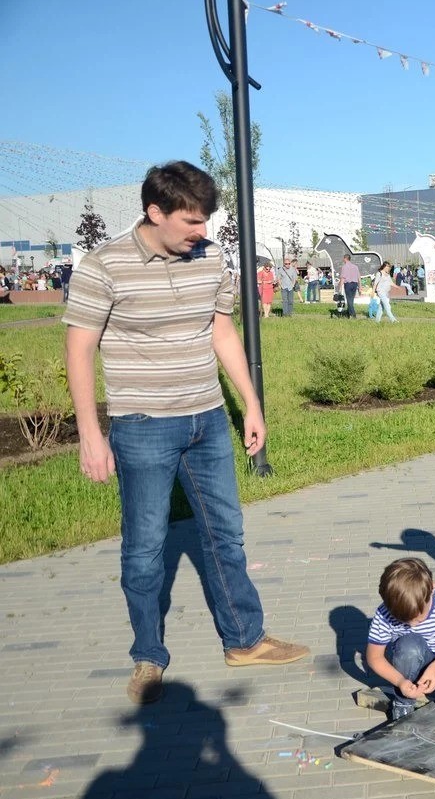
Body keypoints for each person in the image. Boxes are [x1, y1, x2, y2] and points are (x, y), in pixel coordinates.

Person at [63, 161, 309, 706]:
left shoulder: (211, 257)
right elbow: (78, 349)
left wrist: (250, 404)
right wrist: (90, 433)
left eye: (206, 221)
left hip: (207, 419)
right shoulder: (104, 267)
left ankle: (244, 640)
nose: (203, 232)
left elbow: (221, 330)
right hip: (143, 426)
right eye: (192, 222)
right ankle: (148, 656)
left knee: (226, 534)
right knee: (146, 548)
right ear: (155, 212)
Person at [365, 558, 435, 720]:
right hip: (413, 655)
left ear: (431, 589)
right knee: (409, 645)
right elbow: (374, 657)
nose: (412, 624)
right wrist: (401, 681)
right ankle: (403, 701)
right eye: (404, 620)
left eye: (418, 618)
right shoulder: (384, 613)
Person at [339, 254, 360, 319]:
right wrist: (360, 286)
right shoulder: (355, 267)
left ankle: (353, 314)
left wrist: (340, 287)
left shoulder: (344, 267)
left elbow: (343, 278)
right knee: (351, 299)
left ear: (345, 258)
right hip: (355, 284)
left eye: (343, 258)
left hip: (348, 284)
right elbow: (359, 277)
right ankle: (348, 313)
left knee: (349, 299)